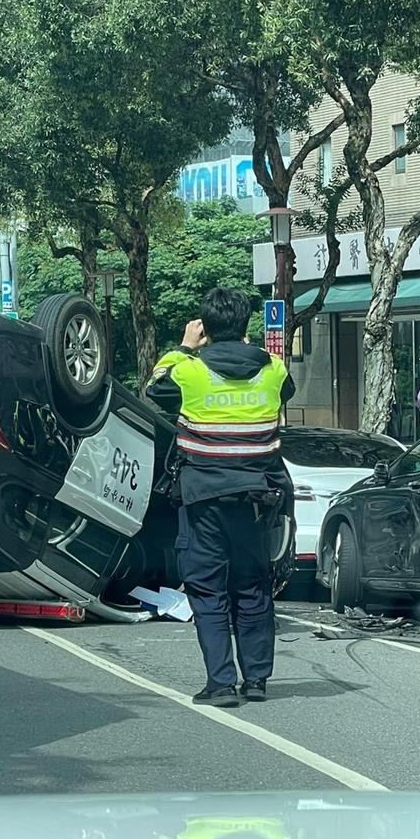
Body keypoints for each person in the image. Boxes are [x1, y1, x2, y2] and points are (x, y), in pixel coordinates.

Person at [146, 288, 295, 707]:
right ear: (246, 325)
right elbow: (286, 393)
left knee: (208, 590)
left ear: (205, 328)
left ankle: (222, 683)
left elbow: (155, 390)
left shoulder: (189, 370)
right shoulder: (274, 370)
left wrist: (184, 347)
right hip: (256, 499)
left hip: (203, 499)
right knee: (253, 586)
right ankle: (257, 680)